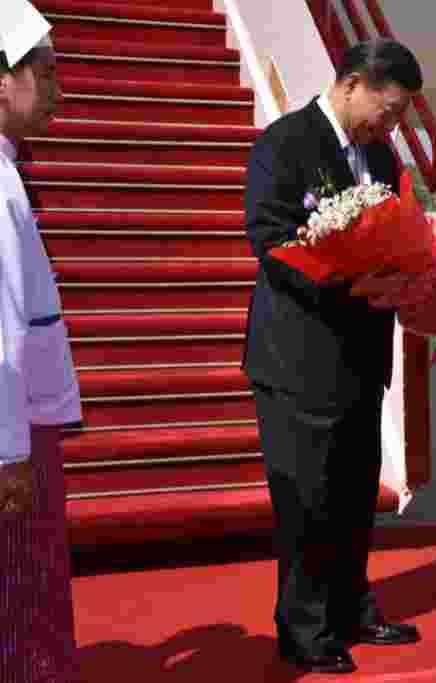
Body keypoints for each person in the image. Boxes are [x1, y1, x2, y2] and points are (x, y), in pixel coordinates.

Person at [243, 39, 423, 674]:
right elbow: (270, 238)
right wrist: (342, 279)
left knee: (351, 492)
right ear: (353, 85)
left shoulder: (378, 155)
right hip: (298, 356)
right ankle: (303, 628)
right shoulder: (285, 144)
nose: (393, 125)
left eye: (402, 116)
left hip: (361, 357)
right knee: (306, 499)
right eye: (390, 109)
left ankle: (351, 605)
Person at [0, 2, 83, 681]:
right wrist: (9, 453)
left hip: (21, 423)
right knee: (25, 603)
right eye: (46, 75)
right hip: (15, 429)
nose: (58, 92)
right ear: (4, 82)